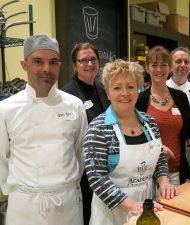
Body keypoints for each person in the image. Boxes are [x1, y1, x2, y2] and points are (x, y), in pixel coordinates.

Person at [0, 34, 88, 225]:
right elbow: (1, 158)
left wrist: (65, 185)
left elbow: (81, 152)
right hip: (25, 205)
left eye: (53, 62)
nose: (46, 69)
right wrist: (14, 191)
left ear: (60, 65)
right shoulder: (6, 109)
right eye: (38, 61)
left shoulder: (74, 105)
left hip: (67, 203)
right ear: (24, 65)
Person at [83, 59, 178, 225]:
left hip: (148, 207)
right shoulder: (98, 128)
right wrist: (132, 205)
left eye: (130, 86)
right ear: (108, 92)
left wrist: (164, 181)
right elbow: (96, 177)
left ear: (138, 90)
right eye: (117, 87)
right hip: (113, 213)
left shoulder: (150, 123)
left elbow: (159, 157)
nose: (125, 93)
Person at [136, 46, 190, 185]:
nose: (159, 70)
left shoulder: (180, 97)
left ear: (169, 68)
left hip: (176, 171)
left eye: (163, 65)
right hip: (147, 172)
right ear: (147, 68)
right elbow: (134, 136)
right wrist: (157, 148)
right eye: (154, 65)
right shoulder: (140, 99)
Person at [61, 42, 110, 225]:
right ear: (75, 65)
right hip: (82, 170)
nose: (89, 64)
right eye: (83, 60)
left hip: (104, 166)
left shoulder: (103, 90)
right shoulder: (68, 95)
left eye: (93, 59)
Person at [166, 46, 190, 178]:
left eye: (186, 62)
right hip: (167, 149)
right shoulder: (160, 89)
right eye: (178, 61)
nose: (183, 65)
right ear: (170, 66)